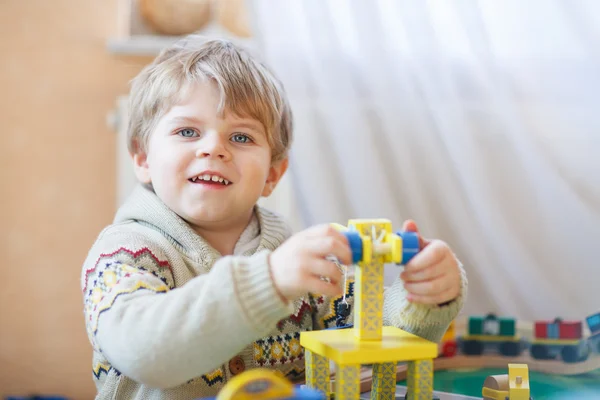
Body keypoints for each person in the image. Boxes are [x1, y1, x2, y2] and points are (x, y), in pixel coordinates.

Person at [81, 35, 467, 400]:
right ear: (143, 158)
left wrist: (424, 298)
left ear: (272, 175)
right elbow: (145, 352)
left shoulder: (297, 262)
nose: (214, 148)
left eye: (241, 137)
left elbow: (372, 344)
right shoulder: (125, 252)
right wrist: (268, 282)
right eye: (187, 131)